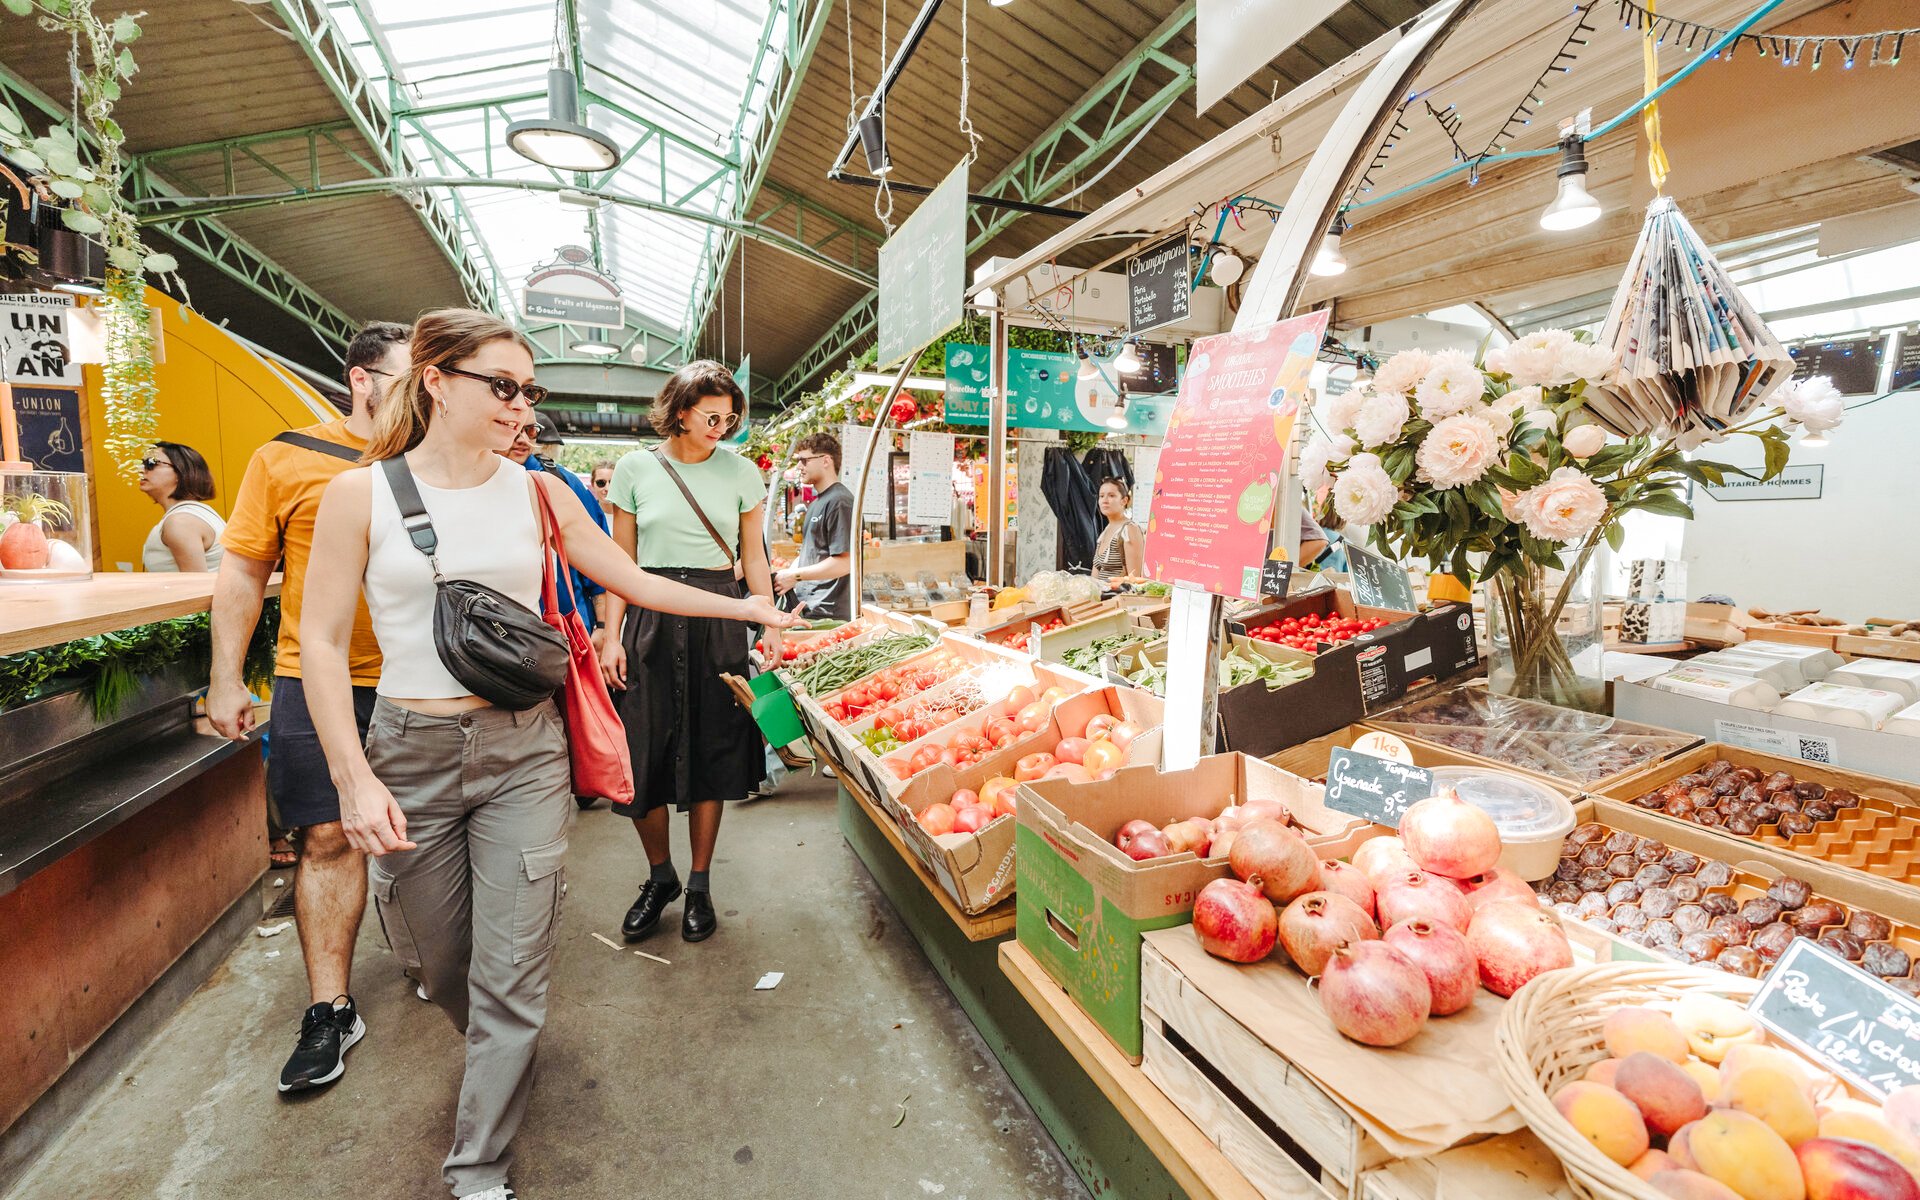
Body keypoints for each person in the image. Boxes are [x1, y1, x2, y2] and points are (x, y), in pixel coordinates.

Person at [300, 311, 794, 1200]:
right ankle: (501, 1041)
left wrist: (748, 610)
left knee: (514, 967)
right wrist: (352, 774)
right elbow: (324, 645)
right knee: (444, 963)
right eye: (503, 385)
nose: (520, 403)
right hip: (407, 750)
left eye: (530, 389)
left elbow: (631, 579)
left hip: (523, 748)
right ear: (437, 379)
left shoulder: (539, 491)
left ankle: (479, 1160)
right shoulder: (359, 496)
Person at [206, 320, 411, 1095]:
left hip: (426, 679)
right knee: (327, 836)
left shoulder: (445, 460)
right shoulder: (286, 456)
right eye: (407, 376)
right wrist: (227, 676)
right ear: (361, 379)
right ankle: (329, 1009)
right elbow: (242, 573)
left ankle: (436, 960)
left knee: (432, 831)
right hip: (316, 679)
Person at [600, 361, 780, 945]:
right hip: (649, 614)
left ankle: (700, 883)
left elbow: (753, 556)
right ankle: (661, 878)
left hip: (719, 615)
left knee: (713, 749)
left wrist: (768, 618)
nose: (722, 427)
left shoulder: (742, 472)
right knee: (643, 752)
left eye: (730, 418)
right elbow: (618, 563)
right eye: (711, 415)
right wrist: (611, 635)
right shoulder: (633, 468)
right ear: (679, 410)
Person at [773, 432, 853, 620]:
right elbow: (814, 551)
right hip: (810, 608)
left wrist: (795, 576)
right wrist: (787, 573)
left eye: (804, 460)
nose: (799, 466)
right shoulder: (818, 502)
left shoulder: (840, 502)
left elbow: (844, 562)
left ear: (826, 460)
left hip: (829, 613)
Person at [138, 441, 225, 572]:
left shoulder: (180, 522)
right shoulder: (196, 514)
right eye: (141, 464)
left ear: (181, 471)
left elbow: (197, 587)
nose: (140, 470)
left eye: (151, 463)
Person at [1091, 475, 1144, 582]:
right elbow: (1094, 577)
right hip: (1101, 596)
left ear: (1124, 501)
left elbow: (1135, 579)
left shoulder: (1129, 529)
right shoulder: (1107, 529)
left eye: (1111, 495)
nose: (1104, 500)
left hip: (1118, 597)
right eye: (1101, 496)